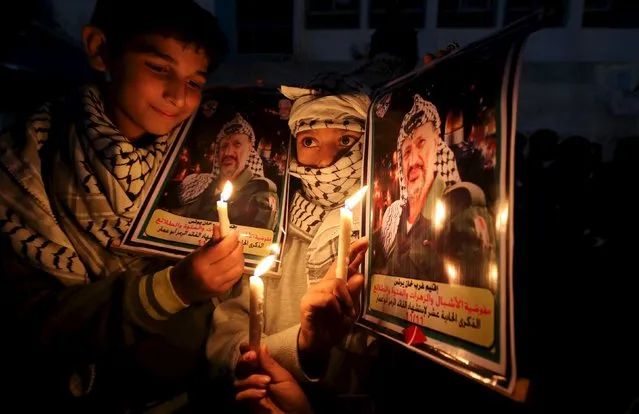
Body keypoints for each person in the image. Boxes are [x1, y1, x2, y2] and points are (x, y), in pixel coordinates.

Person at [0, 1, 243, 412]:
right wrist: (174, 287)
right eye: (159, 68)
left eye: (195, 82)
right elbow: (28, 322)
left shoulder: (199, 166)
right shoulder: (26, 167)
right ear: (99, 49)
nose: (177, 96)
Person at [374, 94, 497, 290]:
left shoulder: (462, 211)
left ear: (437, 145)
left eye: (421, 143)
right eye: (406, 152)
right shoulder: (393, 219)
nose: (413, 160)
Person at [181, 113, 280, 231]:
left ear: (249, 149)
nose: (228, 152)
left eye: (237, 144)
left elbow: (255, 240)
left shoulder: (262, 190)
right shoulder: (202, 186)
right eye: (224, 146)